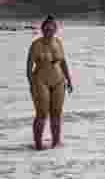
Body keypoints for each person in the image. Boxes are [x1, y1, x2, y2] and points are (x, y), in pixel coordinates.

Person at [26, 15, 73, 150]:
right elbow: (29, 67)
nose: (49, 32)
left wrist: (69, 80)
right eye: (46, 29)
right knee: (42, 113)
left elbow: (63, 62)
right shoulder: (36, 45)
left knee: (56, 113)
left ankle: (56, 142)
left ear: (55, 29)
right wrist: (32, 84)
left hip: (58, 81)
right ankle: (38, 144)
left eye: (51, 29)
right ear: (42, 29)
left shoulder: (58, 42)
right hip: (41, 81)